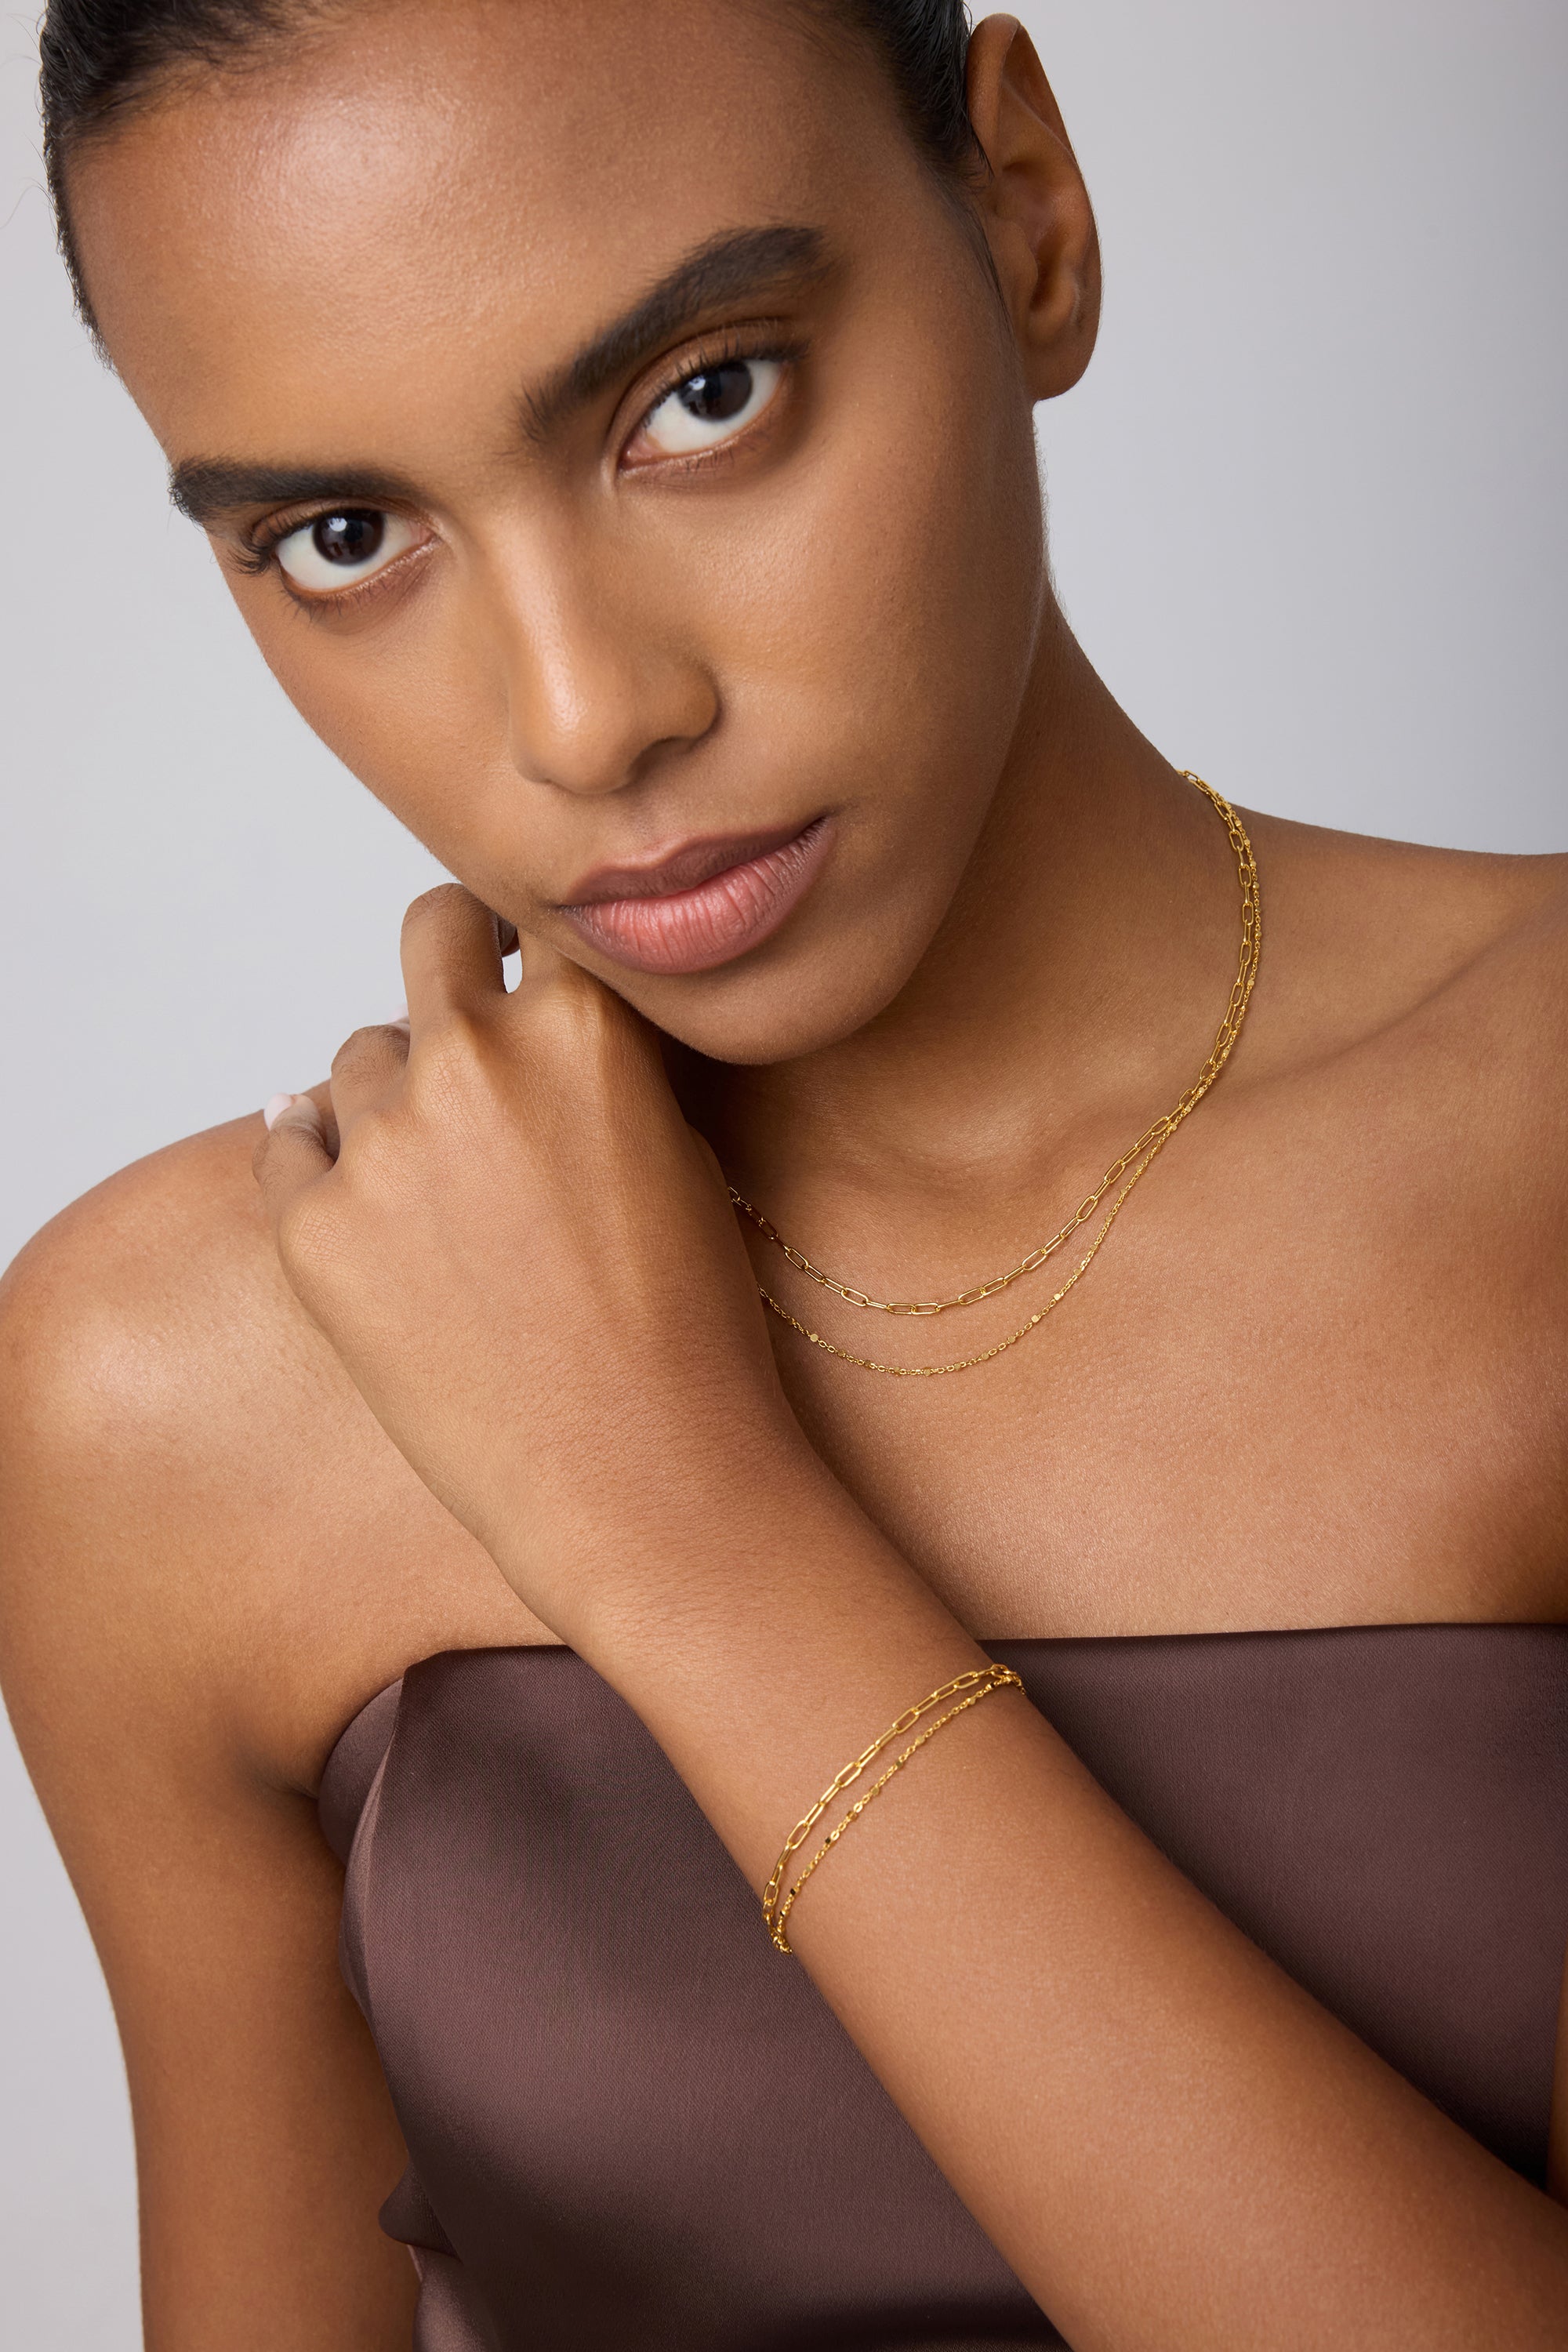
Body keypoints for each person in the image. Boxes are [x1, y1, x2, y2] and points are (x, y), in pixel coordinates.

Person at [2, 1, 1565, 2344]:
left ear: (1023, 216)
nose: (583, 711)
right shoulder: (167, 1392)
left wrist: (681, 1536)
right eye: (340, 535)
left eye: (700, 396)